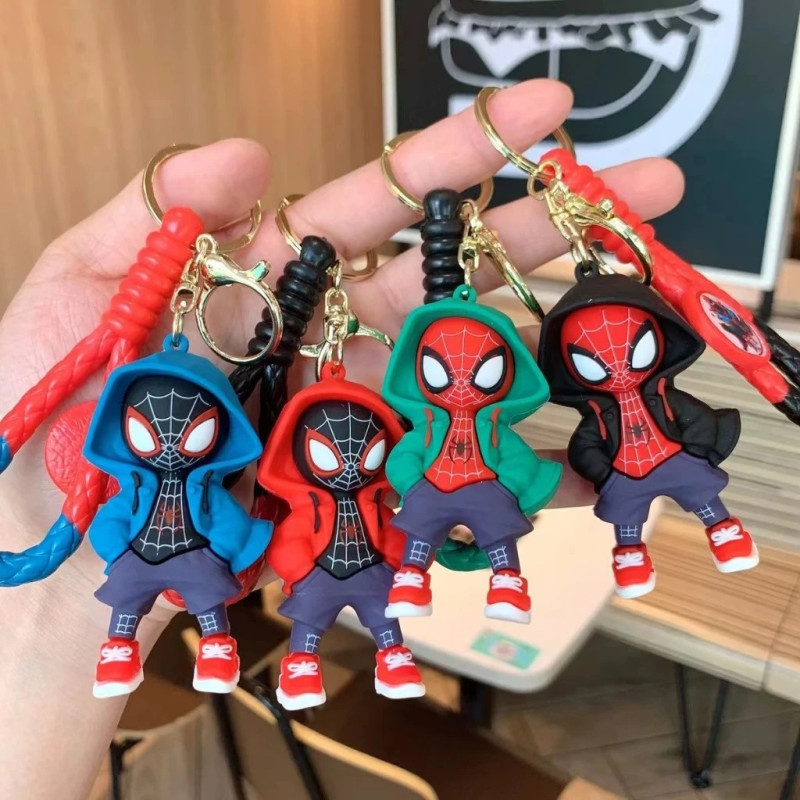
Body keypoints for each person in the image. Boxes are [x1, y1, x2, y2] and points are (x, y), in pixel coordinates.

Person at [0, 78, 683, 799]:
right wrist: (238, 543)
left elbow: (397, 476)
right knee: (257, 596)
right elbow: (229, 528)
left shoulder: (408, 448)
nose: (170, 443)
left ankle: (446, 609)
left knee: (415, 564)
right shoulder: (204, 477)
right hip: (236, 550)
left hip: (394, 522)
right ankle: (215, 647)